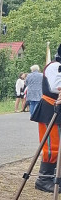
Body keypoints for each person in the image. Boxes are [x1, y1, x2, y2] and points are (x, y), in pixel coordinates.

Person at [33, 47, 61, 192]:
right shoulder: (55, 66)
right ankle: (44, 179)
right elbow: (56, 87)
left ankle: (57, 178)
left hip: (57, 108)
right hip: (50, 108)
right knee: (51, 146)